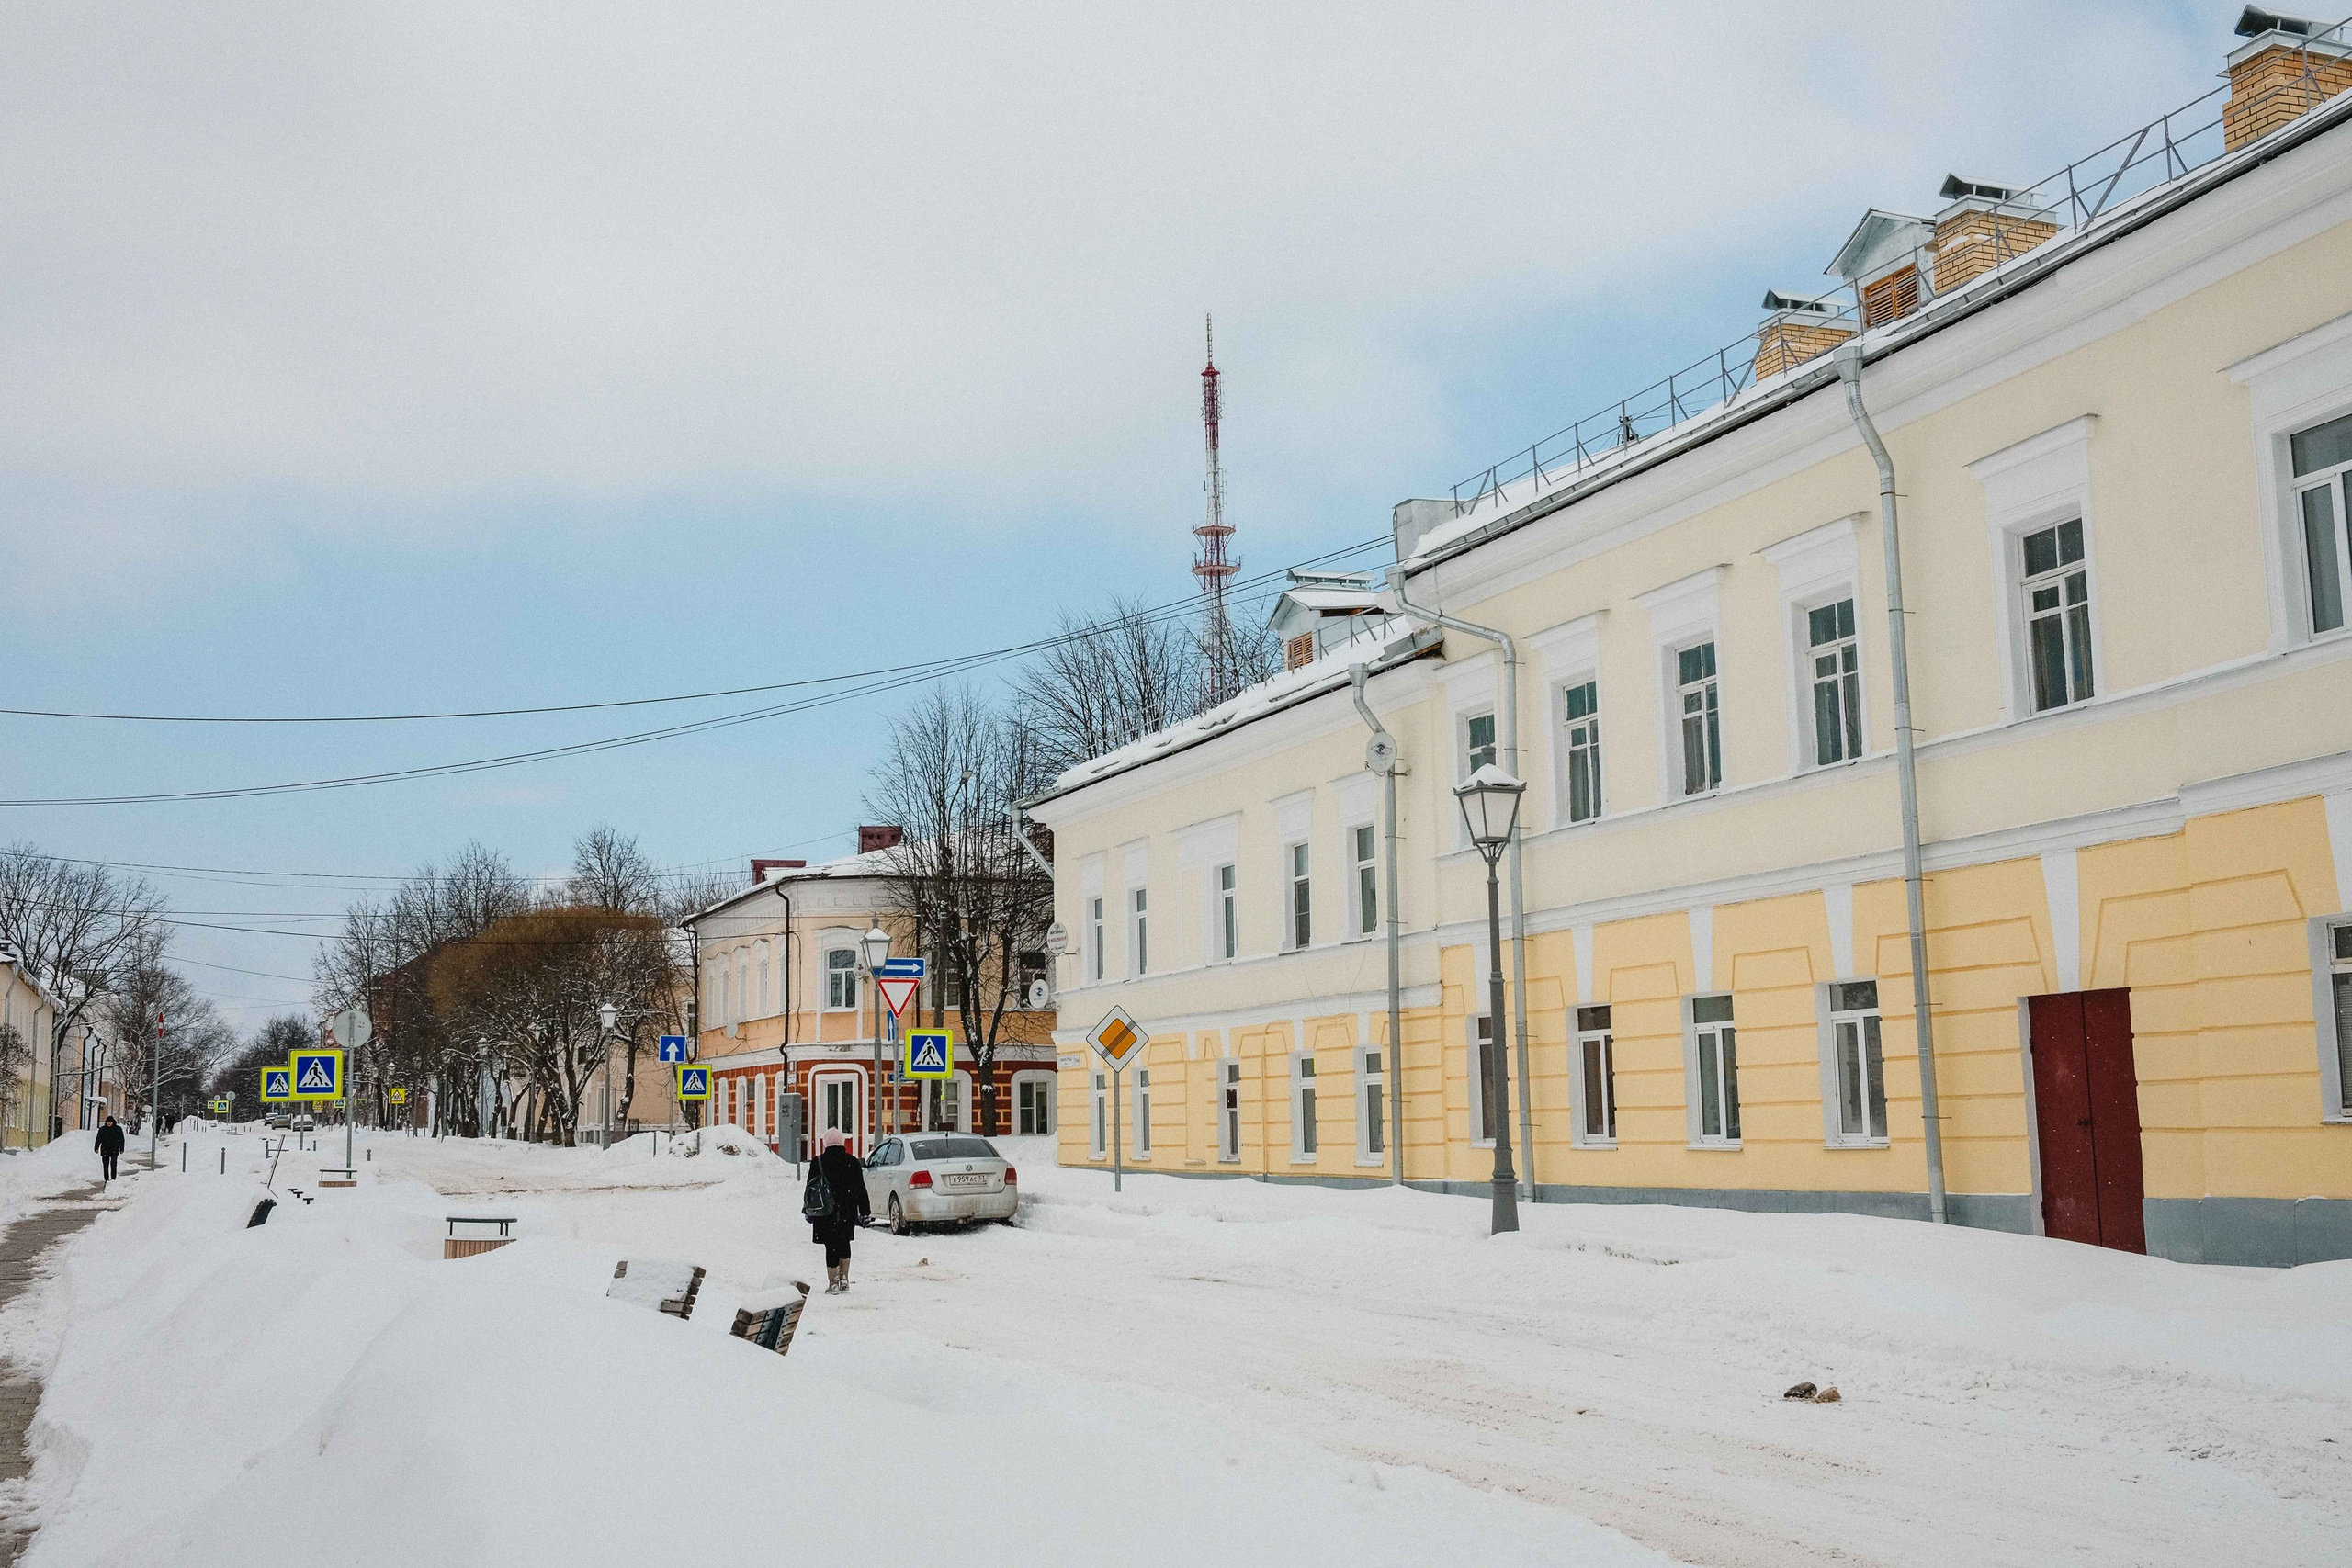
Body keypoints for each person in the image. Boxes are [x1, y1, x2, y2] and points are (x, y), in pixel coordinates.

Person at [808, 1129, 869, 1294]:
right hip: (847, 1211)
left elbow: (811, 1188)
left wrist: (808, 1210)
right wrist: (865, 1210)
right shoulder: (852, 1161)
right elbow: (860, 1189)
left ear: (826, 1143)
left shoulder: (818, 1162)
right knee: (844, 1242)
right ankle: (844, 1279)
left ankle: (833, 1282)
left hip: (825, 1211)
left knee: (830, 1245)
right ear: (842, 1143)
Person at [94, 1115, 125, 1182]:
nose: (109, 1123)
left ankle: (113, 1179)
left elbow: (121, 1139)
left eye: (110, 1122)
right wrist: (96, 1148)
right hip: (105, 1149)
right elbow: (98, 1139)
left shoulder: (118, 1129)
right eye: (108, 1122)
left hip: (114, 1149)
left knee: (113, 1164)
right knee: (105, 1166)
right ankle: (106, 1179)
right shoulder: (102, 1129)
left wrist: (121, 1148)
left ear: (113, 1122)